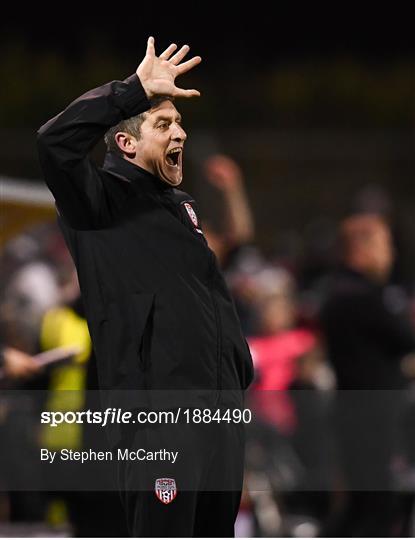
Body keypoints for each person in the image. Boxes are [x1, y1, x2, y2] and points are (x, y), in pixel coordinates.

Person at [37, 37, 254, 537]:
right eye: (163, 124)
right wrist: (131, 92)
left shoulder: (182, 207)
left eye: (179, 123)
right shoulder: (97, 203)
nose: (179, 131)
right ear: (126, 143)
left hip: (218, 415)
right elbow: (54, 143)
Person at [320, 213, 415, 536]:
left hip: (359, 414)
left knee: (366, 505)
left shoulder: (343, 291)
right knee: (373, 508)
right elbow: (405, 337)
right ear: (361, 249)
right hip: (369, 418)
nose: (391, 255)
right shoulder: (357, 296)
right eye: (385, 245)